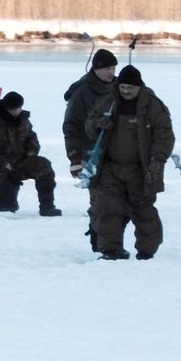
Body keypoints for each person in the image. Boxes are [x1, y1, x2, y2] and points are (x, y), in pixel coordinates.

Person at [85, 65, 175, 260]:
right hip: (110, 167)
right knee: (108, 209)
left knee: (143, 211)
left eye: (130, 88)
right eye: (122, 87)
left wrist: (157, 160)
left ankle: (146, 252)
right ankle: (110, 250)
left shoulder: (152, 105)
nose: (125, 91)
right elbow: (89, 125)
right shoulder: (109, 102)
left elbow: (164, 135)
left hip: (140, 169)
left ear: (139, 87)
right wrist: (98, 124)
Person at [0, 91, 62, 216]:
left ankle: (47, 207)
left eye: (18, 108)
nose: (16, 112)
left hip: (21, 162)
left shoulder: (23, 121)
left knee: (43, 165)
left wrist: (29, 153)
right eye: (13, 109)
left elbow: (32, 140)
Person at [63, 48, 119, 249]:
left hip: (118, 153)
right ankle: (99, 243)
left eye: (113, 68)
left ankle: (111, 241)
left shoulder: (120, 87)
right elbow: (71, 126)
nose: (110, 73)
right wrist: (75, 157)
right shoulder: (82, 91)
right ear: (96, 68)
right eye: (106, 69)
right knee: (100, 202)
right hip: (91, 153)